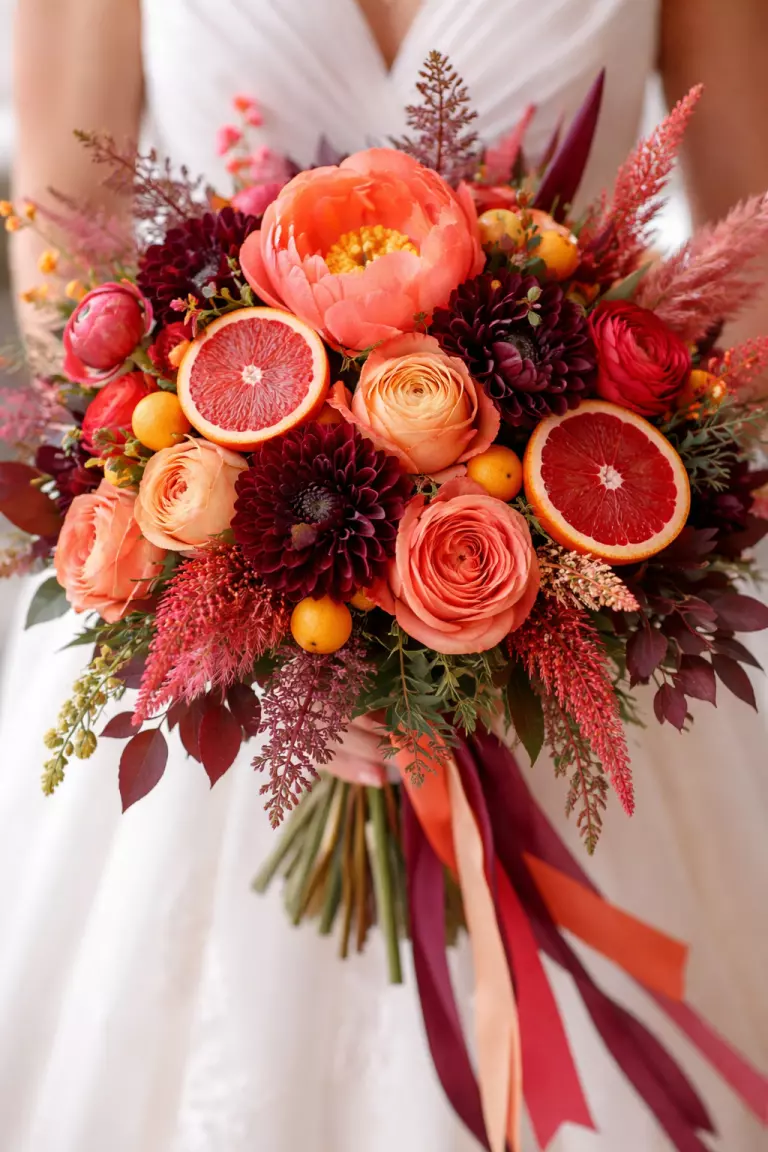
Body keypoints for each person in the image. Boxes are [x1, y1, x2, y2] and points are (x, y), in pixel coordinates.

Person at [1, 1, 767, 1149]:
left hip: (582, 597)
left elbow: (752, 252)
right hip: (228, 628)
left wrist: (551, 576)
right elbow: (70, 245)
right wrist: (239, 601)